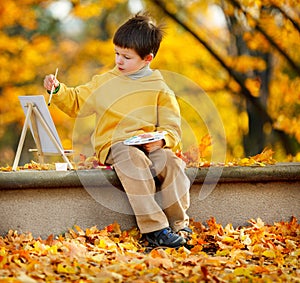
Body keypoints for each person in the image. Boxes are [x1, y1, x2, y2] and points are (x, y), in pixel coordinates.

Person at [43, 12, 191, 248]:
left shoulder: (160, 88)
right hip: (115, 145)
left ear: (147, 59)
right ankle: (154, 229)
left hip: (147, 144)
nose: (119, 61)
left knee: (171, 163)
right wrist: (58, 89)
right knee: (132, 158)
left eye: (126, 57)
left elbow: (172, 126)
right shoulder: (104, 82)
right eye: (116, 54)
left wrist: (162, 141)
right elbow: (76, 102)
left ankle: (179, 226)